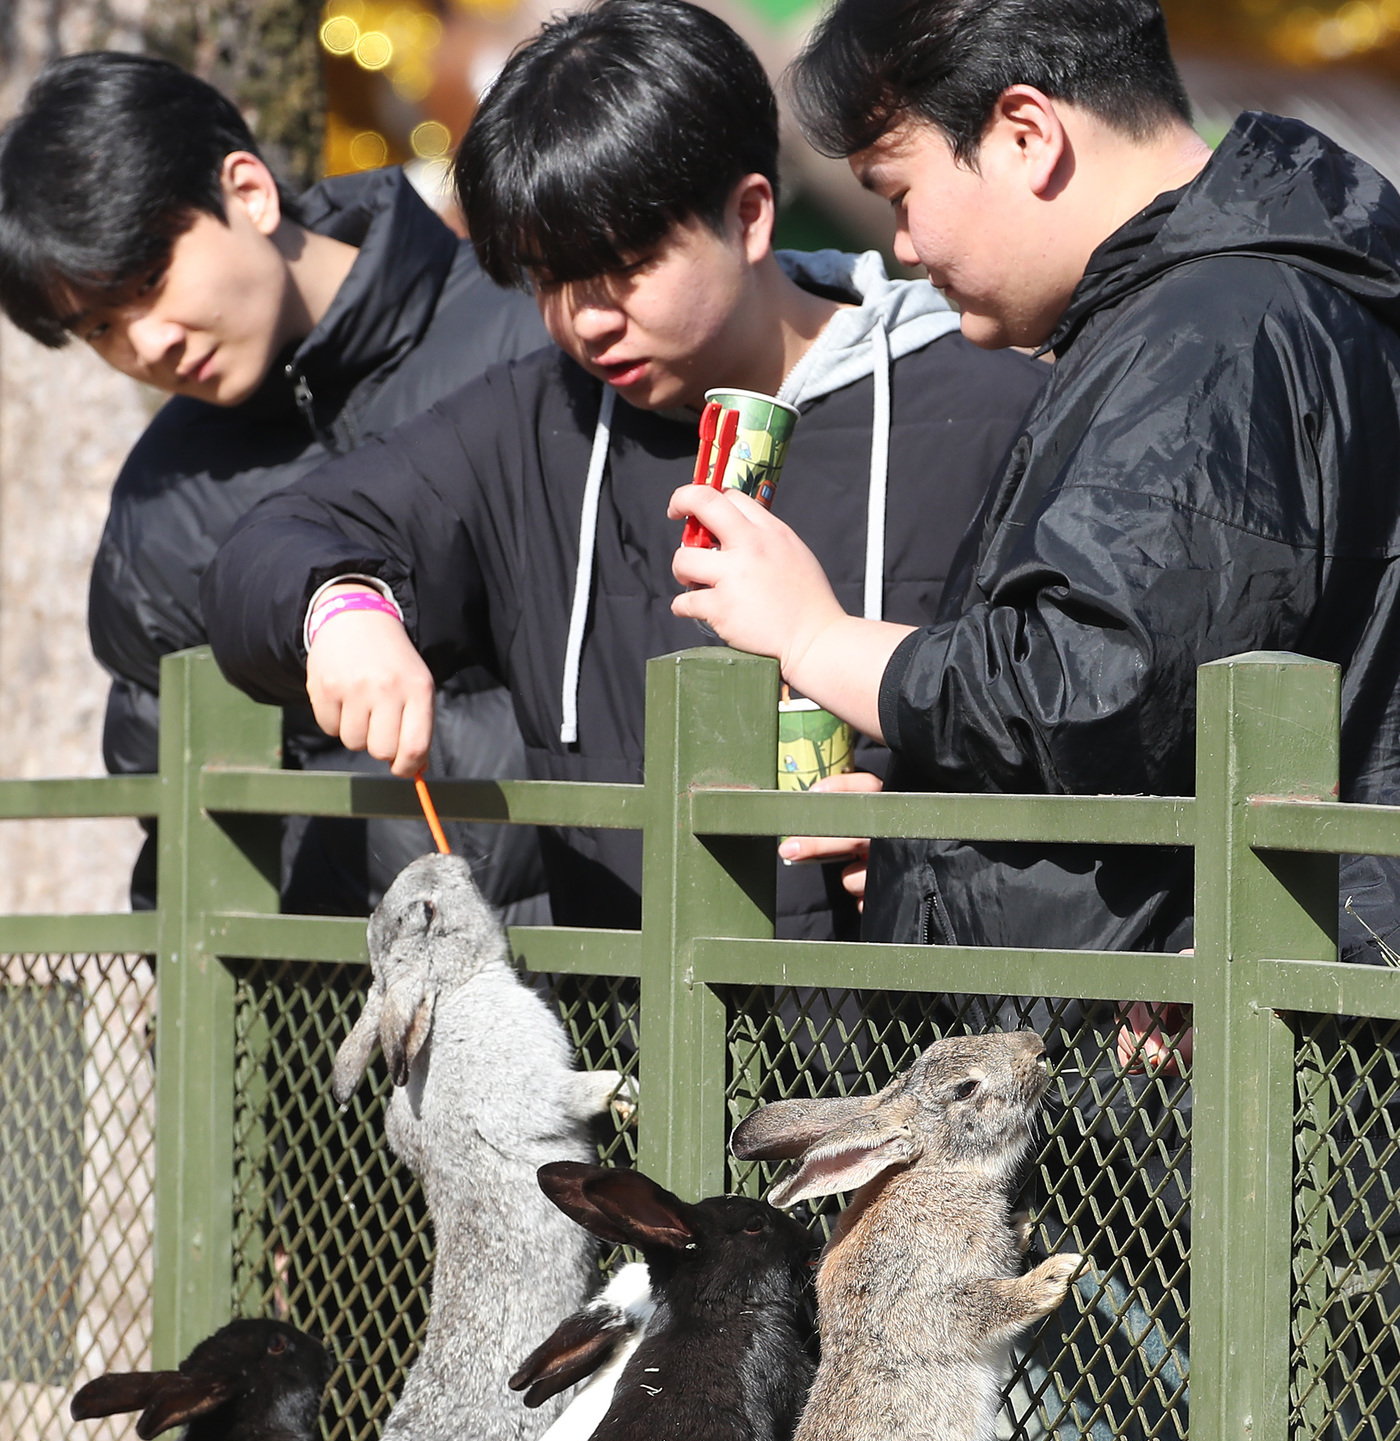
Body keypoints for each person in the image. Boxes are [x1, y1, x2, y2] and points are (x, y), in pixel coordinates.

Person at [199, 0, 1047, 938]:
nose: (588, 320)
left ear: (750, 213)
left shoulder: (991, 400)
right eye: (552, 279)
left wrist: (932, 840)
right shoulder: (529, 418)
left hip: (931, 1057)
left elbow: (1086, 720)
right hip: (634, 1049)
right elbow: (272, 543)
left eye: (630, 266)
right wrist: (340, 608)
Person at [666, 0, 1400, 961]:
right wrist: (925, 842)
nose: (904, 248)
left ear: (1025, 135)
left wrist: (817, 636)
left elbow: (1096, 691)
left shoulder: (1213, 328)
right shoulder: (1218, 305)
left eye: (898, 191)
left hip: (1172, 1063)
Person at [0, 52, 550, 918]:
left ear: (248, 192)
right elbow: (186, 846)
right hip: (342, 1026)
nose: (146, 343)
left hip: (625, 986)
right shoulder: (159, 514)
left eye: (148, 281)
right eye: (101, 325)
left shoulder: (539, 329)